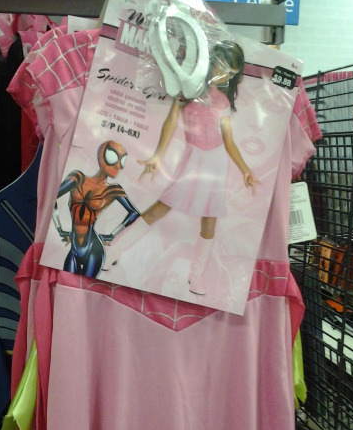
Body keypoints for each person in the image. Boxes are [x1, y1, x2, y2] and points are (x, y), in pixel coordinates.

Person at [106, 41, 259, 296]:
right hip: (193, 158)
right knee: (161, 207)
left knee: (209, 219)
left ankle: (196, 276)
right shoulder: (187, 90)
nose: (225, 76)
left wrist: (245, 169)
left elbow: (229, 142)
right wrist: (157, 156)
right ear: (211, 62)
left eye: (231, 74)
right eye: (223, 68)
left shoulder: (222, 102)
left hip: (216, 163)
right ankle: (113, 251)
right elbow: (170, 121)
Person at [53, 140, 140, 277]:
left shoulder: (113, 190)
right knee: (66, 282)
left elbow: (134, 213)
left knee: (85, 287)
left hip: (94, 250)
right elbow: (52, 196)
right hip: (74, 249)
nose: (118, 165)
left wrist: (113, 234)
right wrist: (58, 227)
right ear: (101, 155)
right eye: (113, 157)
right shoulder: (77, 178)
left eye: (122, 160)